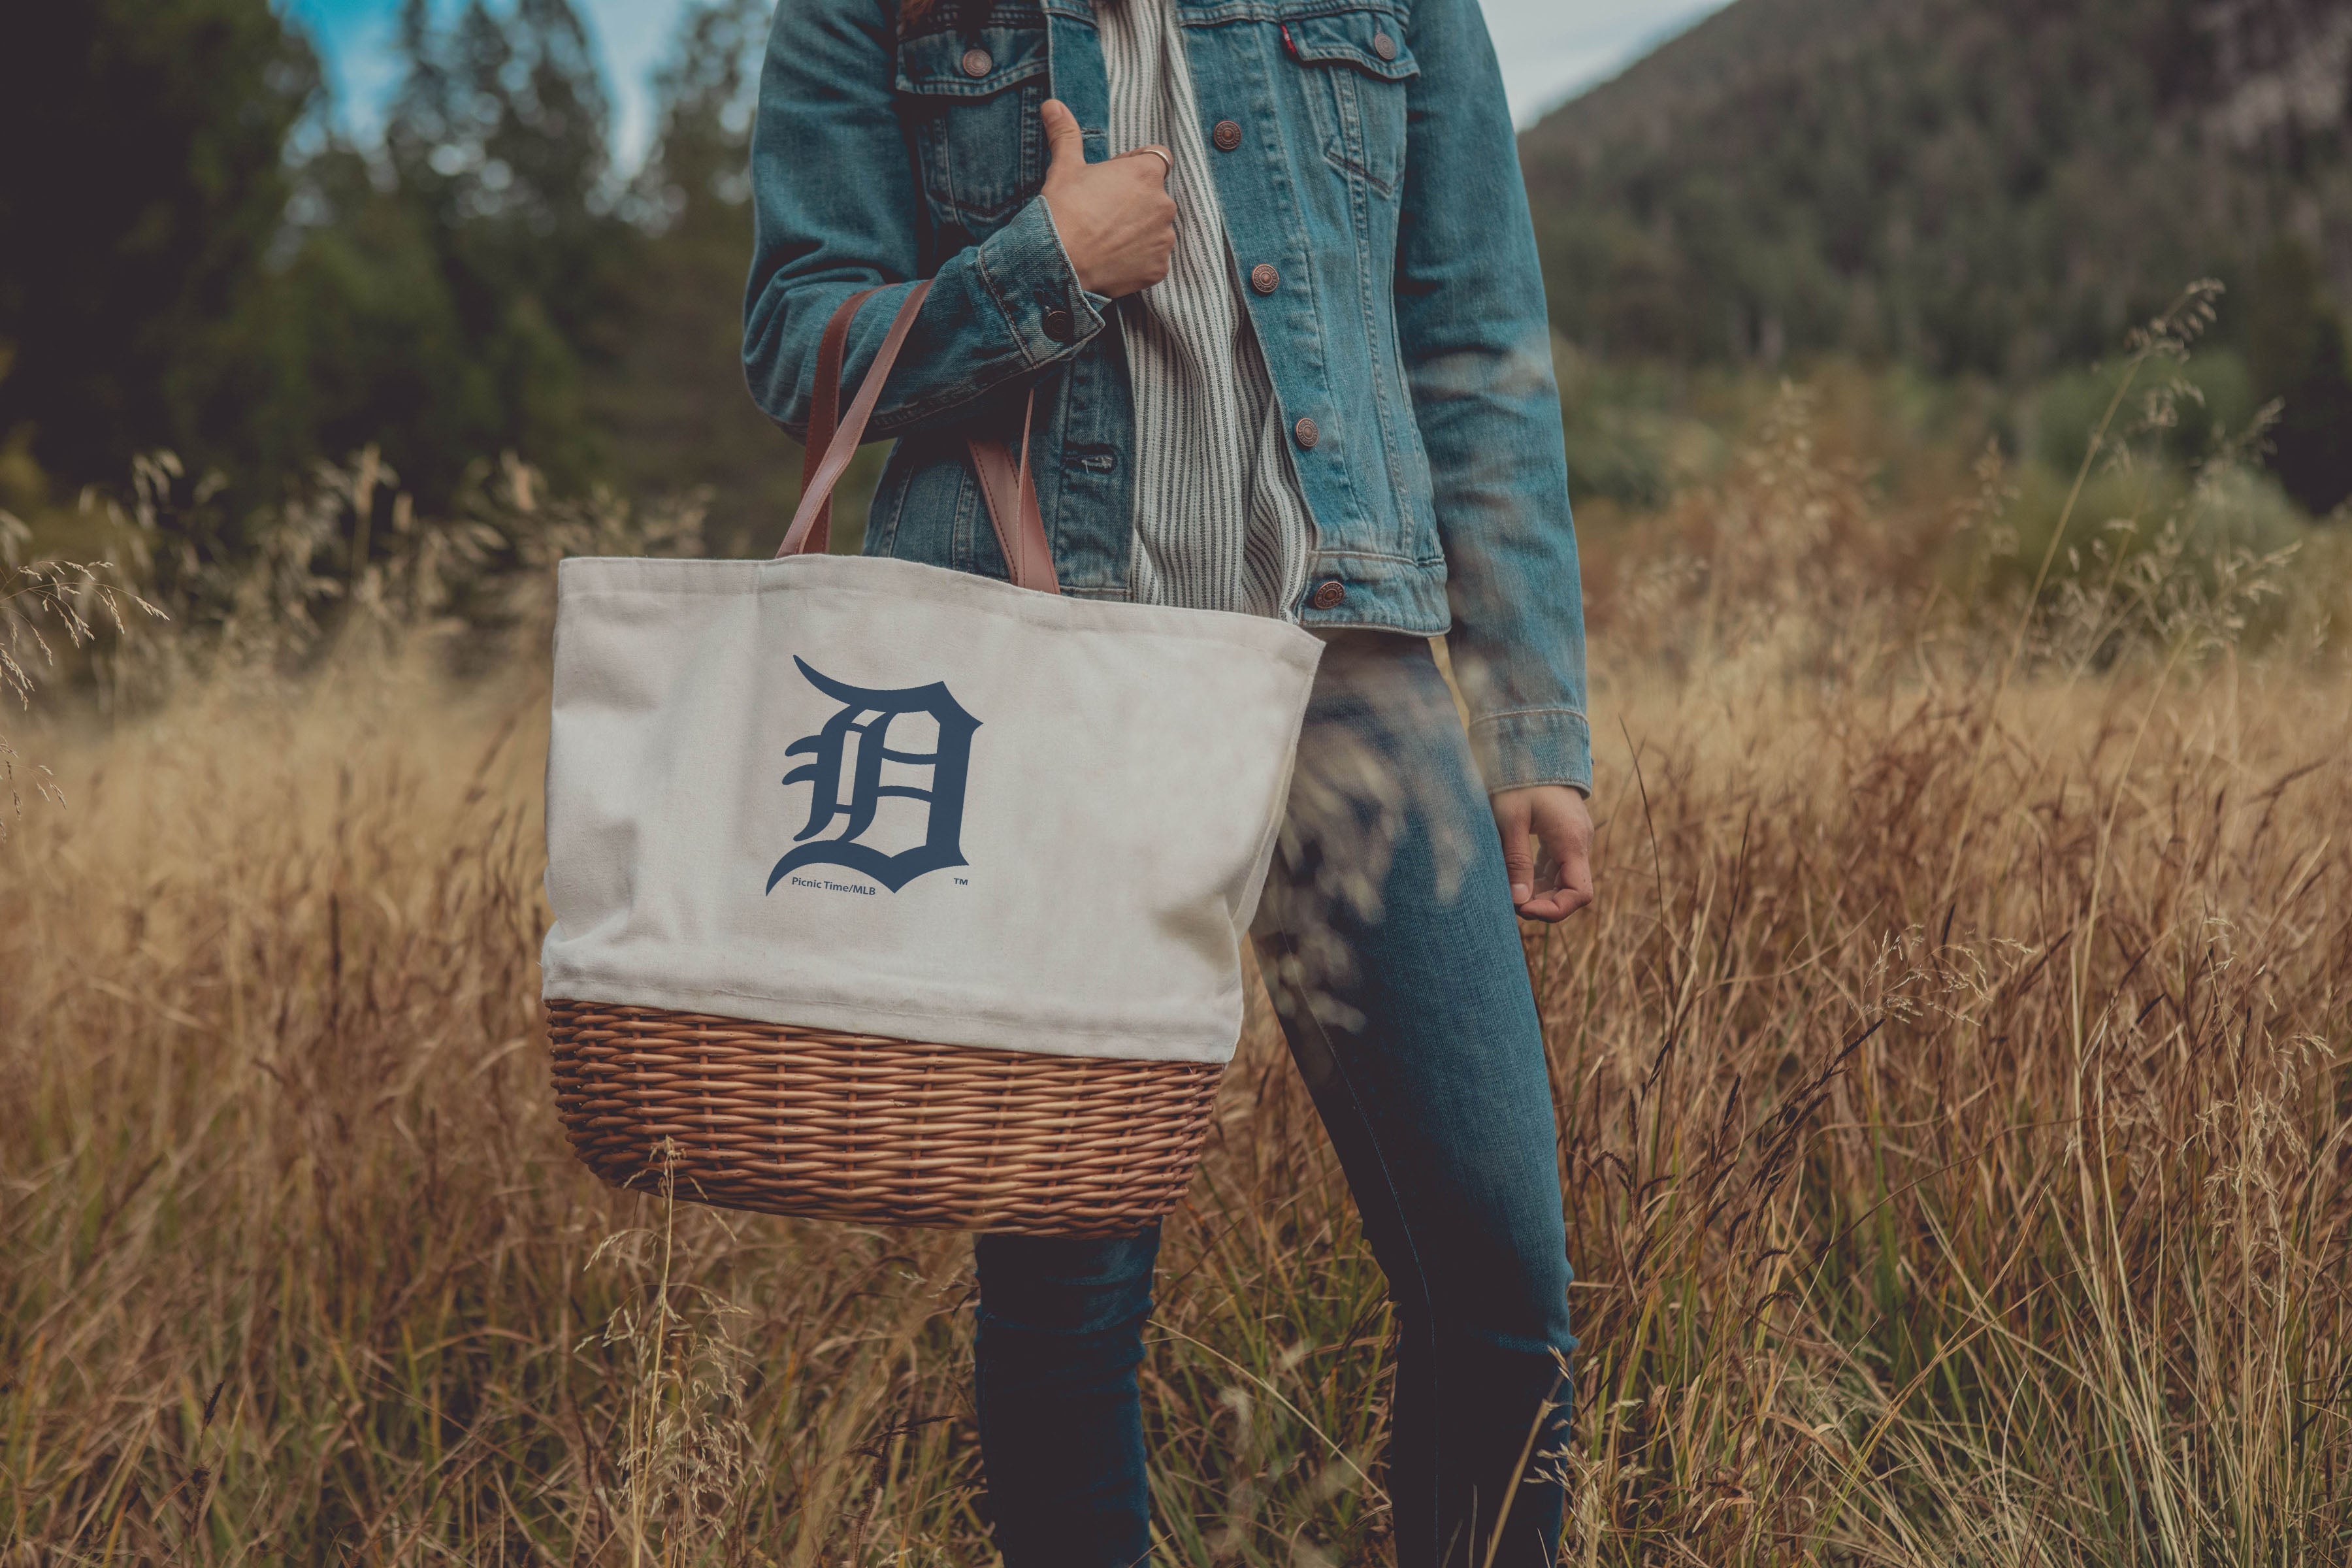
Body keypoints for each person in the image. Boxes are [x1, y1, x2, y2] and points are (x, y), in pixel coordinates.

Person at [744, 0, 1594, 1560]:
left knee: (1500, 1281)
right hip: (1052, 687)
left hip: (1351, 676)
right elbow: (799, 339)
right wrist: (1042, 269)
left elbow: (1475, 338)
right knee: (1068, 1304)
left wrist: (1531, 711)